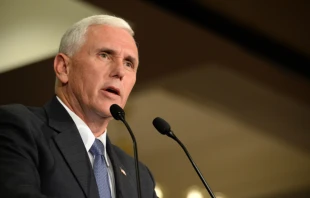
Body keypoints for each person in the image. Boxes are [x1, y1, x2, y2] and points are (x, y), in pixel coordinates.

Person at [0, 15, 158, 198]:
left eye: (129, 63)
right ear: (63, 68)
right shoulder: (18, 128)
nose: (120, 72)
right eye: (105, 55)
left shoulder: (139, 175)